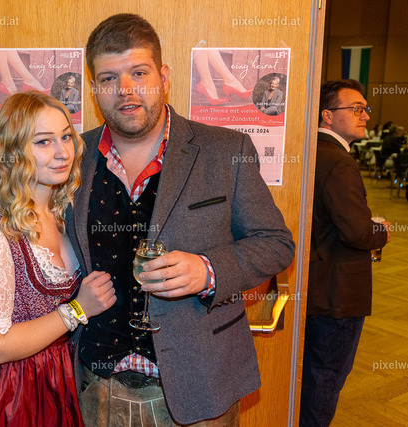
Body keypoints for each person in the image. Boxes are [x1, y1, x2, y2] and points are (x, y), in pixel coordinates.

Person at [66, 14, 295, 426]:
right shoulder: (71, 158)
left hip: (201, 388)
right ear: (94, 88)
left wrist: (207, 270)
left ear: (164, 77)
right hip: (95, 390)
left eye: (139, 73)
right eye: (109, 78)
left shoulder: (226, 150)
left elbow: (276, 243)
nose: (126, 90)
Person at [0, 92, 116, 426]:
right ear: (13, 152)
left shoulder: (65, 215)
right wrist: (78, 309)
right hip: (10, 395)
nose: (62, 152)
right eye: (43, 141)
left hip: (58, 383)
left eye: (66, 137)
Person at [301, 79, 391, 427]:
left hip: (315, 286)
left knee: (310, 379)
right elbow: (356, 232)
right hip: (337, 295)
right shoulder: (339, 162)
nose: (365, 115)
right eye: (355, 109)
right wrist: (381, 231)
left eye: (366, 109)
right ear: (327, 115)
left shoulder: (312, 153)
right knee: (324, 381)